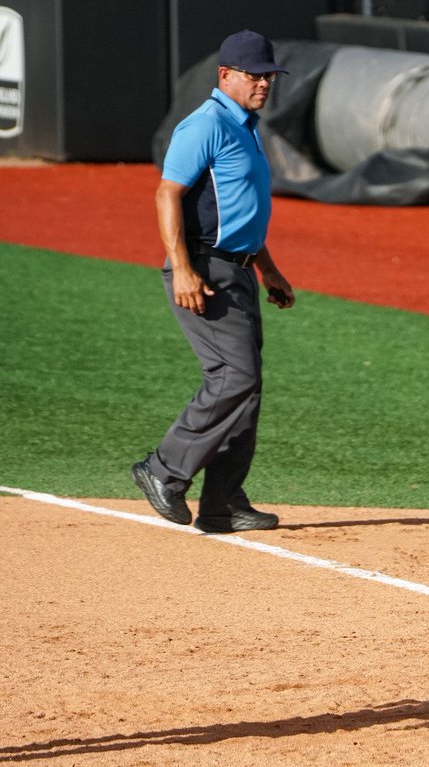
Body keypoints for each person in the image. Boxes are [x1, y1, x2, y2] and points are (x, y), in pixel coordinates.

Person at [130, 30, 295, 534]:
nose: (264, 83)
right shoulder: (205, 124)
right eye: (255, 75)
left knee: (247, 386)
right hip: (205, 269)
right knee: (234, 377)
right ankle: (163, 470)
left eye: (269, 76)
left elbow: (241, 212)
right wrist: (182, 268)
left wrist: (268, 269)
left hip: (239, 270)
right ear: (226, 75)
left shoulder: (246, 127)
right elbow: (167, 194)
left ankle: (223, 502)